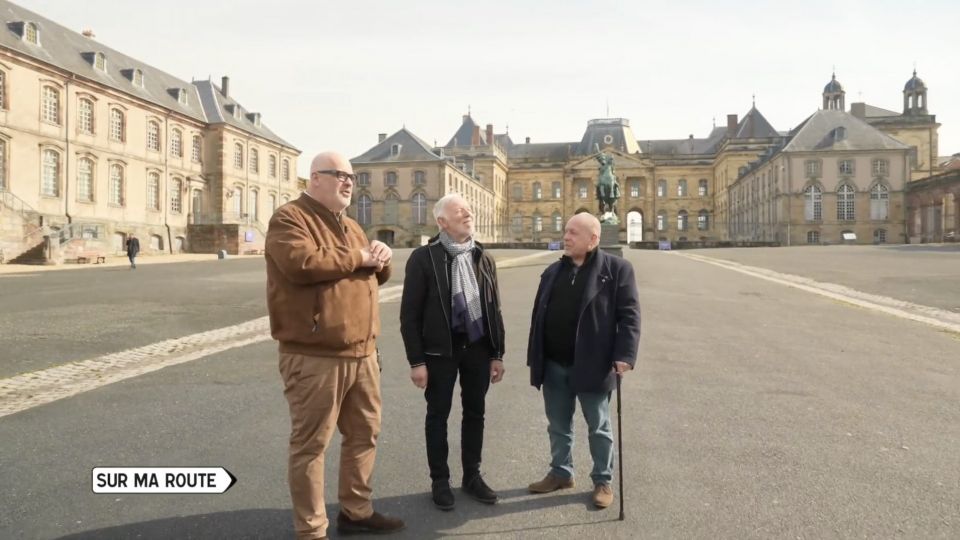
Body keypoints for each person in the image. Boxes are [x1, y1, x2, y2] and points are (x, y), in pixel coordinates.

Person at [265, 151, 404, 539]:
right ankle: (311, 530)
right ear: (314, 179)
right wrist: (360, 255)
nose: (347, 182)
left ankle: (356, 511)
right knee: (311, 445)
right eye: (338, 174)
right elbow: (302, 263)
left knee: (364, 435)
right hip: (314, 355)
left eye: (351, 177)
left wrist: (383, 256)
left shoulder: (353, 226)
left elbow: (373, 275)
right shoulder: (290, 218)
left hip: (362, 354)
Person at [526, 213, 641, 509]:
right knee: (558, 424)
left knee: (598, 426)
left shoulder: (617, 270)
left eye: (573, 233)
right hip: (553, 362)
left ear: (593, 239)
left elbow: (630, 316)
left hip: (593, 362)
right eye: (565, 231)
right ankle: (561, 472)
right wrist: (535, 355)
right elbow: (538, 316)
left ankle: (603, 479)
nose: (566, 236)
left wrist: (624, 355)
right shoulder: (552, 271)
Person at [399, 193, 506, 511]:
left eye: (469, 210)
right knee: (438, 416)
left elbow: (493, 309)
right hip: (438, 352)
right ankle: (440, 481)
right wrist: (416, 361)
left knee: (476, 413)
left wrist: (497, 353)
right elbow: (409, 315)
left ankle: (472, 476)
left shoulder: (482, 258)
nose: (468, 213)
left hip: (476, 348)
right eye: (460, 211)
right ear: (442, 221)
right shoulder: (424, 258)